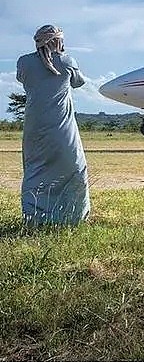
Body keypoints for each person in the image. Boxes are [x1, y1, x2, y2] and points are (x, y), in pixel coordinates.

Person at [16, 25, 90, 226]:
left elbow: (22, 79)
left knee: (35, 169)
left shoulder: (23, 62)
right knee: (74, 167)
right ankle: (72, 217)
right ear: (58, 41)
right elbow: (79, 82)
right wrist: (61, 57)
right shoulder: (67, 61)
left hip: (34, 125)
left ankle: (34, 217)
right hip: (60, 124)